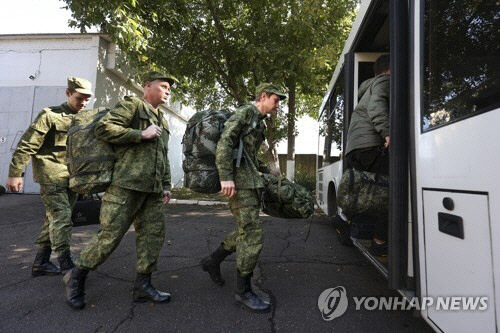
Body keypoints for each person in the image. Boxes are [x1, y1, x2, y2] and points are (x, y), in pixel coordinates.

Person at [63, 71, 175, 310]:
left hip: (152, 191)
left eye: (169, 89)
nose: (168, 92)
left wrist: (165, 185)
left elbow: (162, 156)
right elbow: (103, 128)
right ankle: (76, 277)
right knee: (109, 237)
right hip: (126, 185)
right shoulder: (132, 105)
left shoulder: (161, 119)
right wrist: (139, 134)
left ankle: (143, 286)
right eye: (164, 86)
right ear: (148, 86)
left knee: (152, 237)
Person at [201, 83, 286, 313]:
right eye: (276, 100)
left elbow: (247, 156)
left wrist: (269, 172)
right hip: (238, 184)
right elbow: (225, 142)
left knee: (245, 230)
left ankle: (212, 261)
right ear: (264, 96)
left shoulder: (258, 121)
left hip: (249, 182)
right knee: (252, 233)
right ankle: (243, 291)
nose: (279, 105)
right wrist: (225, 176)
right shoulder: (246, 112)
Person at [6, 76, 93, 277]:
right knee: (62, 218)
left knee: (53, 219)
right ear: (68, 93)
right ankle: (66, 264)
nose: (83, 103)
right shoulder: (49, 115)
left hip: (72, 177)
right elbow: (27, 145)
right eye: (80, 98)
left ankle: (41, 263)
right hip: (51, 175)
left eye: (87, 99)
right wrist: (15, 174)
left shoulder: (84, 118)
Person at [345, 54, 390, 257]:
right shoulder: (385, 81)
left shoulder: (366, 88)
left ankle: (345, 219)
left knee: (369, 191)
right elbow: (377, 107)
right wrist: (387, 132)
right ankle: (380, 241)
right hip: (370, 145)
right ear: (391, 68)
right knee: (389, 191)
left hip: (355, 148)